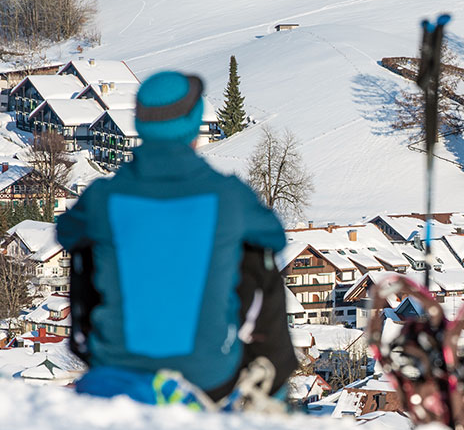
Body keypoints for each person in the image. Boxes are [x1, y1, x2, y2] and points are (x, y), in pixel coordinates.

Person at [57, 71, 295, 406]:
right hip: (209, 375)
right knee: (257, 251)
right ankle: (271, 386)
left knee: (88, 245)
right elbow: (274, 235)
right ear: (193, 124)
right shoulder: (227, 196)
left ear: (140, 123)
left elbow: (67, 232)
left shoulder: (103, 198)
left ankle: (97, 347)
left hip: (114, 366)